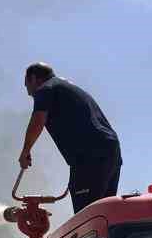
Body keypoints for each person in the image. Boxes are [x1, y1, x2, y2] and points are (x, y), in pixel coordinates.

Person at [18, 63, 122, 214]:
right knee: (104, 213)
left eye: (27, 85)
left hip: (89, 156)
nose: (29, 93)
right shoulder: (69, 88)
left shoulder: (46, 89)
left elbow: (38, 120)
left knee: (86, 216)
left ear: (33, 78)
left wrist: (25, 151)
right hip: (111, 152)